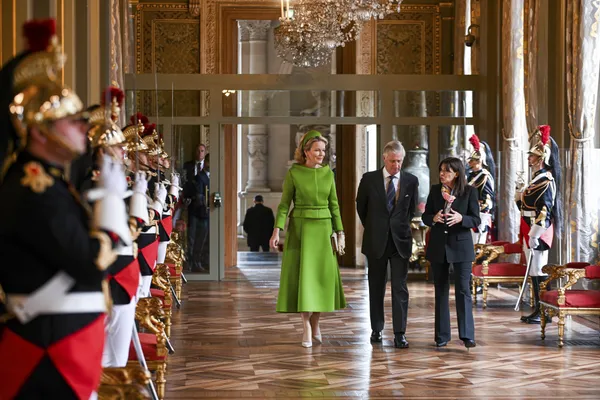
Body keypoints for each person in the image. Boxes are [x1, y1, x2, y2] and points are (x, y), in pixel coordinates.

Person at [0, 19, 130, 399]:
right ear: (40, 132)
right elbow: (89, 260)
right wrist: (109, 201)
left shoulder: (49, 181)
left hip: (62, 343)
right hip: (48, 347)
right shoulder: (33, 185)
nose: (81, 130)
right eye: (72, 122)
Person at [269, 130, 346, 348]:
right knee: (304, 279)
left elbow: (334, 205)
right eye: (317, 150)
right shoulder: (294, 173)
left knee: (320, 279)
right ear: (306, 152)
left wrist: (340, 232)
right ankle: (305, 327)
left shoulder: (328, 174)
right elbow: (285, 204)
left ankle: (316, 323)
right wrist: (277, 230)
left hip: (323, 230)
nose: (321, 154)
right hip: (300, 230)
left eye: (323, 150)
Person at [356, 140, 419, 349]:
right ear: (384, 158)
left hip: (400, 241)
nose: (397, 165)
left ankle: (400, 333)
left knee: (400, 288)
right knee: (376, 286)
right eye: (393, 161)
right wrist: (376, 227)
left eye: (400, 161)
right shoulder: (368, 180)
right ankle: (376, 329)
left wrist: (396, 226)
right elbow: (361, 209)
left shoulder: (411, 181)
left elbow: (410, 211)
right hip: (376, 240)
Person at [422, 157, 480, 349]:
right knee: (441, 290)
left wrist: (461, 218)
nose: (442, 174)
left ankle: (467, 335)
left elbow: (476, 219)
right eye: (441, 170)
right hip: (439, 246)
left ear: (457, 173)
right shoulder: (434, 191)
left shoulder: (469, 191)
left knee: (463, 290)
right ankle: (442, 336)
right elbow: (425, 216)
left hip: (461, 247)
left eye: (446, 171)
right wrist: (433, 217)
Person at [516, 125, 561, 324]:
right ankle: (538, 308)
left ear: (541, 158)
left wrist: (535, 233)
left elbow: (545, 209)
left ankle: (544, 311)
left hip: (538, 230)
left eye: (532, 156)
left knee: (539, 269)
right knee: (533, 270)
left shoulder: (546, 179)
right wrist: (519, 191)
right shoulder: (535, 179)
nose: (529, 159)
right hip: (528, 226)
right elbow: (523, 205)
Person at [183, 145, 210, 271]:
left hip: (204, 211)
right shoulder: (193, 170)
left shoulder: (211, 176)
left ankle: (199, 261)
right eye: (198, 150)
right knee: (192, 238)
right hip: (194, 208)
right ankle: (191, 262)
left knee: (202, 238)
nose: (200, 153)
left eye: (202, 151)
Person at [467, 134, 496, 244]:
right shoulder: (471, 176)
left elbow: (487, 200)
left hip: (480, 215)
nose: (472, 163)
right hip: (469, 214)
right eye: (472, 161)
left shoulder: (485, 176)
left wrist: (482, 216)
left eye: (475, 161)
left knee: (478, 247)